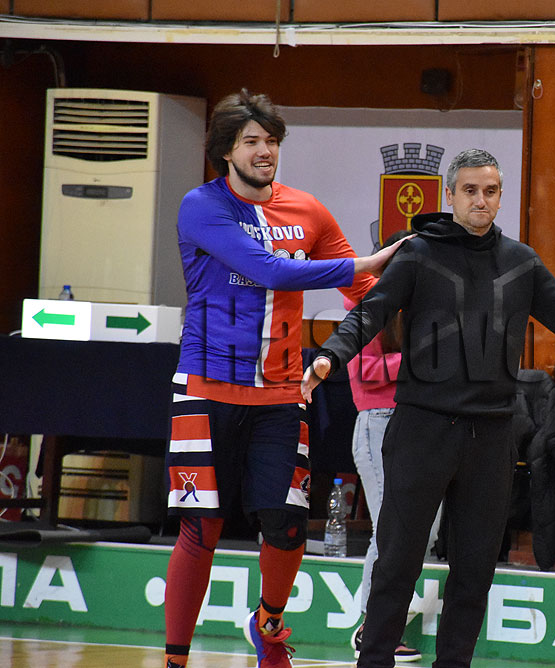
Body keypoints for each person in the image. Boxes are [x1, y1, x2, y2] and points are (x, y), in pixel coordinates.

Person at [302, 148, 555, 668]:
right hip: (421, 431)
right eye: (470, 191)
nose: (480, 201)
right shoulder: (418, 255)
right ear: (450, 195)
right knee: (396, 565)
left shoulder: (521, 262)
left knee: (475, 572)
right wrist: (329, 356)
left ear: (501, 195)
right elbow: (369, 314)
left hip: (491, 437)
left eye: (490, 191)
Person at [162, 89, 406, 668]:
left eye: (271, 141)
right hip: (205, 389)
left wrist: (421, 306)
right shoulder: (201, 206)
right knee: (202, 528)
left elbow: (364, 292)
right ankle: (175, 660)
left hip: (280, 394)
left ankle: (268, 625)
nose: (264, 151)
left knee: (288, 525)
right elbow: (267, 269)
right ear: (227, 151)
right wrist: (365, 261)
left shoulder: (308, 211)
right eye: (251, 141)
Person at [344, 229, 421, 663]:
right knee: (390, 530)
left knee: (422, 530)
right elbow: (364, 371)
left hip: (420, 425)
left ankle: (386, 623)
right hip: (378, 424)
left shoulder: (423, 308)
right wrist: (421, 360)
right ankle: (371, 627)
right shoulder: (366, 306)